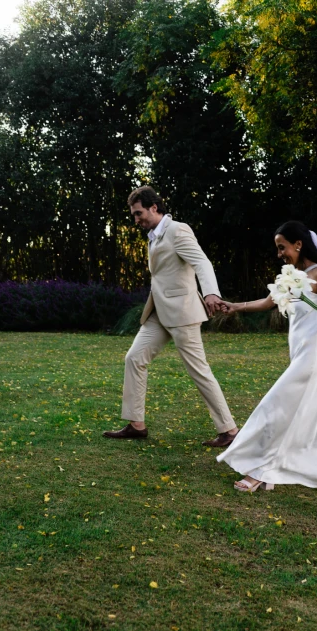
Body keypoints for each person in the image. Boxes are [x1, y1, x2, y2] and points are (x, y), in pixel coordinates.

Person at [216, 221, 317, 495]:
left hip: (314, 356)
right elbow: (268, 302)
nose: (279, 254)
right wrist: (234, 306)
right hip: (298, 353)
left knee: (274, 407)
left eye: (282, 247)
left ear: (298, 244)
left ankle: (260, 470)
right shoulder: (290, 275)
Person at [103, 186, 239, 448]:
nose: (136, 219)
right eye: (133, 215)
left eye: (139, 213)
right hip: (158, 312)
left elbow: (202, 262)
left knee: (198, 370)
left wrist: (211, 293)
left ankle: (229, 430)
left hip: (183, 312)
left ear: (154, 207)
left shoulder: (177, 230)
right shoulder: (154, 235)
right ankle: (136, 424)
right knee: (134, 358)